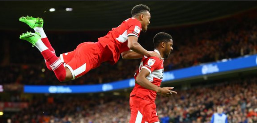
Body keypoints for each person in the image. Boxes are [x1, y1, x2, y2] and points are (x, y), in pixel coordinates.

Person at [19, 4, 160, 82]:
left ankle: (39, 28)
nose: (149, 21)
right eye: (149, 18)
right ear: (142, 16)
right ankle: (38, 42)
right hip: (93, 55)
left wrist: (144, 56)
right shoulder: (136, 24)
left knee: (51, 65)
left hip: (90, 48)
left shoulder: (128, 25)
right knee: (63, 76)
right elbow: (132, 44)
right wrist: (149, 53)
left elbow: (126, 54)